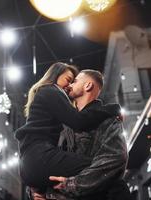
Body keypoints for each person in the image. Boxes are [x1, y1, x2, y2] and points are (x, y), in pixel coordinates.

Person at [15, 62, 121, 192]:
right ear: (55, 75)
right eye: (68, 80)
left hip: (31, 163)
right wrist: (113, 108)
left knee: (101, 170)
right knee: (100, 169)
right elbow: (78, 121)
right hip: (39, 157)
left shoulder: (55, 108)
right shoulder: (51, 90)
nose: (69, 85)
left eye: (73, 81)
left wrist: (37, 191)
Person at [32, 70, 130, 200]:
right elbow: (48, 160)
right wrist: (37, 193)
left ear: (88, 85)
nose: (69, 85)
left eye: (75, 81)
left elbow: (114, 159)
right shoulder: (63, 125)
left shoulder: (108, 121)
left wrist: (71, 185)